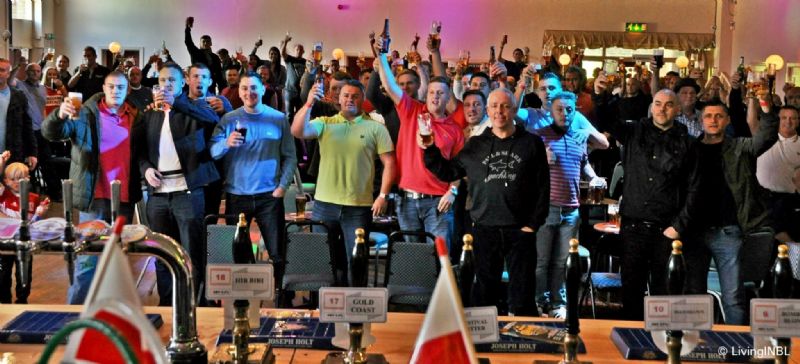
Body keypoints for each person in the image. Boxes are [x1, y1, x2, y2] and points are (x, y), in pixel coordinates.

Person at [421, 88, 549, 315]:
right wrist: (430, 149)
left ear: (513, 109)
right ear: (488, 110)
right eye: (495, 106)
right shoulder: (476, 145)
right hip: (484, 227)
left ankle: (524, 342)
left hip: (520, 231)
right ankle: (485, 343)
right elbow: (449, 171)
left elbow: (542, 188)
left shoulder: (531, 143)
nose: (499, 111)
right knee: (484, 293)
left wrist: (533, 225)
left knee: (522, 293)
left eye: (505, 106)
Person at [596, 87, 700, 321]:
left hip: (667, 229)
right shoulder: (633, 131)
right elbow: (604, 119)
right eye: (658, 103)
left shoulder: (689, 143)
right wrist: (602, 96)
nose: (662, 109)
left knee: (664, 294)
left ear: (678, 109)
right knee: (631, 291)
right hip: (633, 226)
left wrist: (678, 227)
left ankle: (661, 346)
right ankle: (629, 346)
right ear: (651, 106)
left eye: (668, 104)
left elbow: (696, 189)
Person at [42, 70, 143, 304]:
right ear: (103, 88)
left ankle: (109, 315)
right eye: (111, 86)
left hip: (125, 198)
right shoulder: (85, 114)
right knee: (87, 261)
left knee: (116, 262)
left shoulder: (137, 116)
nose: (115, 91)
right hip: (94, 195)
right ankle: (74, 317)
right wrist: (59, 114)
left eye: (120, 87)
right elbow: (51, 133)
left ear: (127, 90)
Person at [291, 79, 395, 285]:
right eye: (346, 95)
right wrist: (309, 103)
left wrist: (382, 195)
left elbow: (390, 163)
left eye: (355, 96)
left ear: (362, 99)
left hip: (358, 207)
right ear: (338, 98)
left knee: (356, 260)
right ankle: (326, 305)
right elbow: (297, 130)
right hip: (324, 205)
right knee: (324, 258)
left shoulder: (376, 128)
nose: (350, 99)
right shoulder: (325, 123)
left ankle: (354, 307)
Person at [136, 62, 220, 306]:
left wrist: (178, 103)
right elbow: (140, 151)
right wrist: (146, 169)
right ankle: (167, 305)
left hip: (188, 192)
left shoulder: (193, 106)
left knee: (192, 253)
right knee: (162, 253)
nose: (167, 85)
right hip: (159, 195)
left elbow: (212, 119)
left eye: (172, 81)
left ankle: (193, 306)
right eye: (162, 81)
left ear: (183, 83)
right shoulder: (149, 112)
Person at [692, 97, 778, 325]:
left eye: (719, 116)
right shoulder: (690, 149)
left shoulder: (740, 146)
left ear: (727, 120)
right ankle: (695, 349)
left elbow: (766, 137)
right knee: (693, 297)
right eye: (709, 116)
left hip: (728, 232)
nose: (713, 120)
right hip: (694, 232)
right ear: (701, 120)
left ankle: (736, 349)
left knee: (733, 297)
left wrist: (767, 110)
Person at [210, 71, 297, 294]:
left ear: (263, 89)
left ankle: (281, 298)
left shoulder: (278, 118)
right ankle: (244, 299)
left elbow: (290, 156)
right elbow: (213, 151)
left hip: (270, 195)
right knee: (239, 253)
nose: (250, 93)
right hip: (237, 195)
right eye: (245, 88)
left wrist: (282, 187)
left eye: (254, 88)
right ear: (239, 92)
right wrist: (227, 144)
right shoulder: (229, 120)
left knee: (278, 253)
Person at [375, 48, 464, 249]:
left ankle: (441, 282)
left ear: (448, 95)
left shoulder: (455, 130)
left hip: (438, 202)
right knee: (413, 257)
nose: (435, 97)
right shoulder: (412, 110)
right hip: (407, 199)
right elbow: (389, 86)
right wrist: (381, 55)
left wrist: (453, 191)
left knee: (440, 255)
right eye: (432, 92)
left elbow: (458, 168)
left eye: (440, 93)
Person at [532, 91, 605, 318]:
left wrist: (594, 177)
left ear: (576, 112)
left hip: (572, 210)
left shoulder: (579, 137)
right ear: (551, 112)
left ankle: (557, 303)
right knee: (542, 261)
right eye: (560, 110)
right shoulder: (539, 136)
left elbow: (583, 163)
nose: (565, 113)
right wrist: (540, 159)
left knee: (562, 262)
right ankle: (538, 301)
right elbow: (526, 169)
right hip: (547, 209)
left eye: (569, 109)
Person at [0, 159, 48, 304]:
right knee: (3, 275)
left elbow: (34, 223)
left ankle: (22, 300)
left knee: (24, 275)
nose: (17, 182)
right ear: (6, 181)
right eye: (13, 179)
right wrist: (1, 164)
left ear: (28, 179)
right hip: (5, 242)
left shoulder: (33, 197)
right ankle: (4, 301)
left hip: (25, 241)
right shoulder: (3, 194)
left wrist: (40, 212)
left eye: (21, 178)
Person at [756, 105, 800, 243]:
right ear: (777, 119)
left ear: (798, 121)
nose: (788, 121)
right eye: (784, 118)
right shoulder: (764, 139)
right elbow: (750, 120)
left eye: (793, 118)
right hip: (761, 199)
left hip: (790, 201)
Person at [184, 17, 224, 92]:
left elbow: (219, 75)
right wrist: (187, 28)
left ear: (211, 43)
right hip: (198, 86)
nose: (206, 43)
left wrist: (222, 92)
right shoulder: (195, 53)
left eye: (208, 41)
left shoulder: (215, 57)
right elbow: (188, 42)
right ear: (200, 43)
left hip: (211, 88)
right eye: (204, 41)